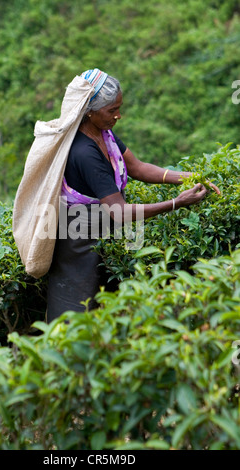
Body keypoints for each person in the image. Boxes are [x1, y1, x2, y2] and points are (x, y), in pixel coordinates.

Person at [46, 69, 220, 323]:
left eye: (119, 107)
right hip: (83, 238)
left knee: (119, 304)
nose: (118, 115)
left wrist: (190, 177)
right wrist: (177, 203)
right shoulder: (84, 152)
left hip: (110, 229)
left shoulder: (103, 132)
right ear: (90, 110)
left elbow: (136, 167)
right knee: (80, 313)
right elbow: (120, 211)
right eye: (111, 110)